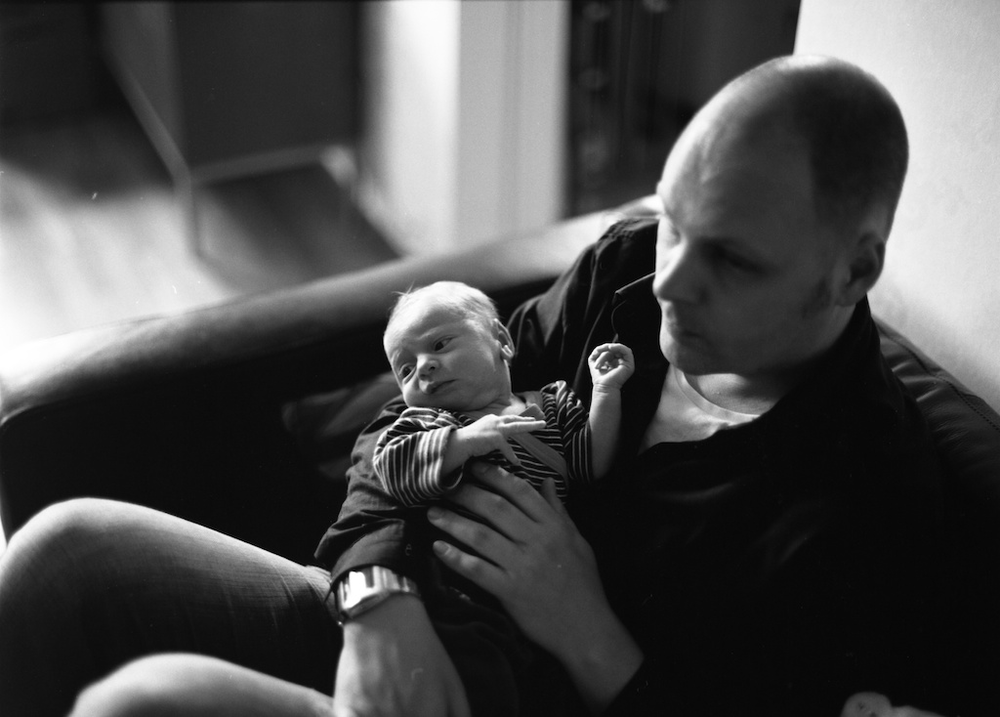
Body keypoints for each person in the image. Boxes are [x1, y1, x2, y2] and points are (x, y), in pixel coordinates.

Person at [0, 55, 957, 717]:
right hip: (413, 600)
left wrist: (588, 630)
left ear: (854, 269)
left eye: (733, 260)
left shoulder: (870, 499)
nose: (671, 280)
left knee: (147, 703)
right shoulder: (625, 274)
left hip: (518, 693)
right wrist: (375, 594)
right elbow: (411, 418)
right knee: (66, 551)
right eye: (675, 221)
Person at [375, 280, 634, 506]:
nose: (422, 367)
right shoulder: (429, 424)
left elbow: (592, 465)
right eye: (406, 370)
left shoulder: (554, 404)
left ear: (501, 340)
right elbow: (392, 469)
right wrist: (464, 441)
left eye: (439, 344)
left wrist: (605, 390)